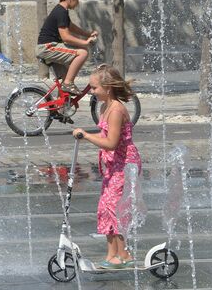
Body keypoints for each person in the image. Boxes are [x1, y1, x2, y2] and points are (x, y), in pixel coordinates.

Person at [72, 64, 141, 269]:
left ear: (107, 88)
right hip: (113, 163)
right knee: (105, 207)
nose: (91, 92)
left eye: (94, 88)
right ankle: (112, 254)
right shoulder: (104, 107)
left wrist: (86, 135)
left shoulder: (117, 110)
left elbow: (111, 142)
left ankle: (124, 254)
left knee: (115, 207)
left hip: (125, 164)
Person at [36, 0, 98, 96]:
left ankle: (61, 111)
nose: (78, 2)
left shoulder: (61, 11)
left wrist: (87, 34)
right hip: (48, 48)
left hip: (49, 47)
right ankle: (69, 83)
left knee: (65, 82)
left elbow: (70, 26)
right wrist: (85, 43)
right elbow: (66, 37)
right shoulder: (61, 12)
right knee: (83, 53)